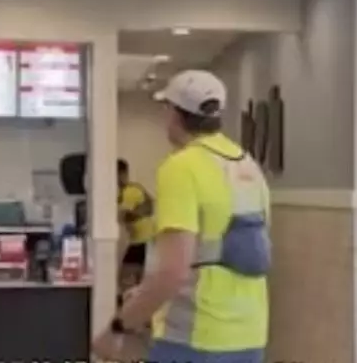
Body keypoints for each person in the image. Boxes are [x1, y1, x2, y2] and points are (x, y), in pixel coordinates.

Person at [93, 70, 271, 363]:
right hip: (250, 334)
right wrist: (146, 292)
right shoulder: (247, 165)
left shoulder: (181, 168)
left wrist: (118, 327)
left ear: (175, 113)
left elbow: (174, 272)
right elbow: (232, 250)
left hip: (196, 336)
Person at [116, 158, 154, 302]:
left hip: (143, 240)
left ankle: (134, 306)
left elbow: (122, 216)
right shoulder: (130, 190)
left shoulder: (130, 191)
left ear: (122, 174)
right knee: (136, 277)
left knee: (125, 276)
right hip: (142, 239)